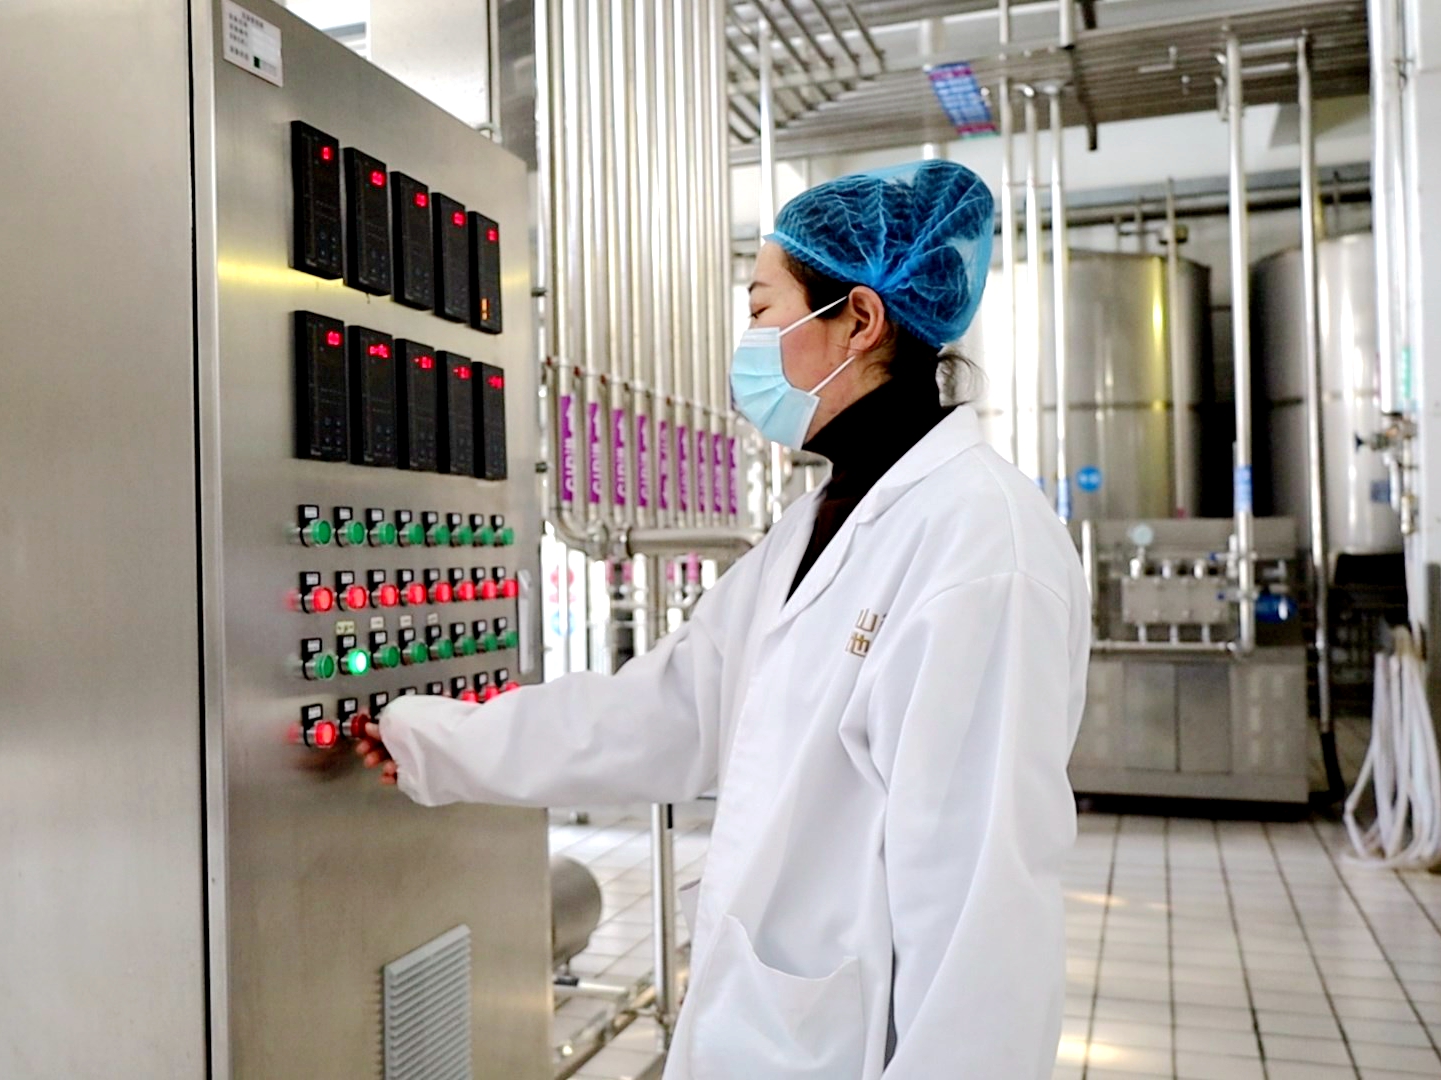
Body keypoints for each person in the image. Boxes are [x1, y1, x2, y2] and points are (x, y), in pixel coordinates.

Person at [357, 160, 1090, 1079]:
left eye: (761, 307)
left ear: (860, 319)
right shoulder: (816, 525)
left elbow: (983, 913)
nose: (750, 343)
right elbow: (660, 714)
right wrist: (435, 741)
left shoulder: (980, 548)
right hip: (767, 1031)